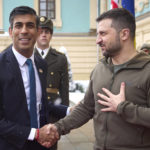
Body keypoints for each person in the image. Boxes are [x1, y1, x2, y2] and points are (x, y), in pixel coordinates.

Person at [47, 8, 150, 150]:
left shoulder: (147, 70)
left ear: (124, 34)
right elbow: (86, 108)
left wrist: (123, 108)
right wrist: (58, 128)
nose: (97, 40)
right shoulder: (100, 69)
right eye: (97, 34)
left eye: (103, 33)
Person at [0, 6, 68, 150]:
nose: (24, 30)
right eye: (18, 25)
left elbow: (40, 103)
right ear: (11, 31)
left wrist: (68, 111)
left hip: (42, 145)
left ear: (37, 32)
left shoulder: (41, 64)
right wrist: (35, 134)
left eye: (30, 25)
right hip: (12, 145)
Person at [34, 16, 69, 150]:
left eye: (47, 32)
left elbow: (64, 89)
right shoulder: (28, 55)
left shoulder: (60, 58)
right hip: (33, 110)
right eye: (41, 31)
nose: (43, 34)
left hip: (52, 111)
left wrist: (64, 120)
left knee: (50, 145)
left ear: (51, 35)